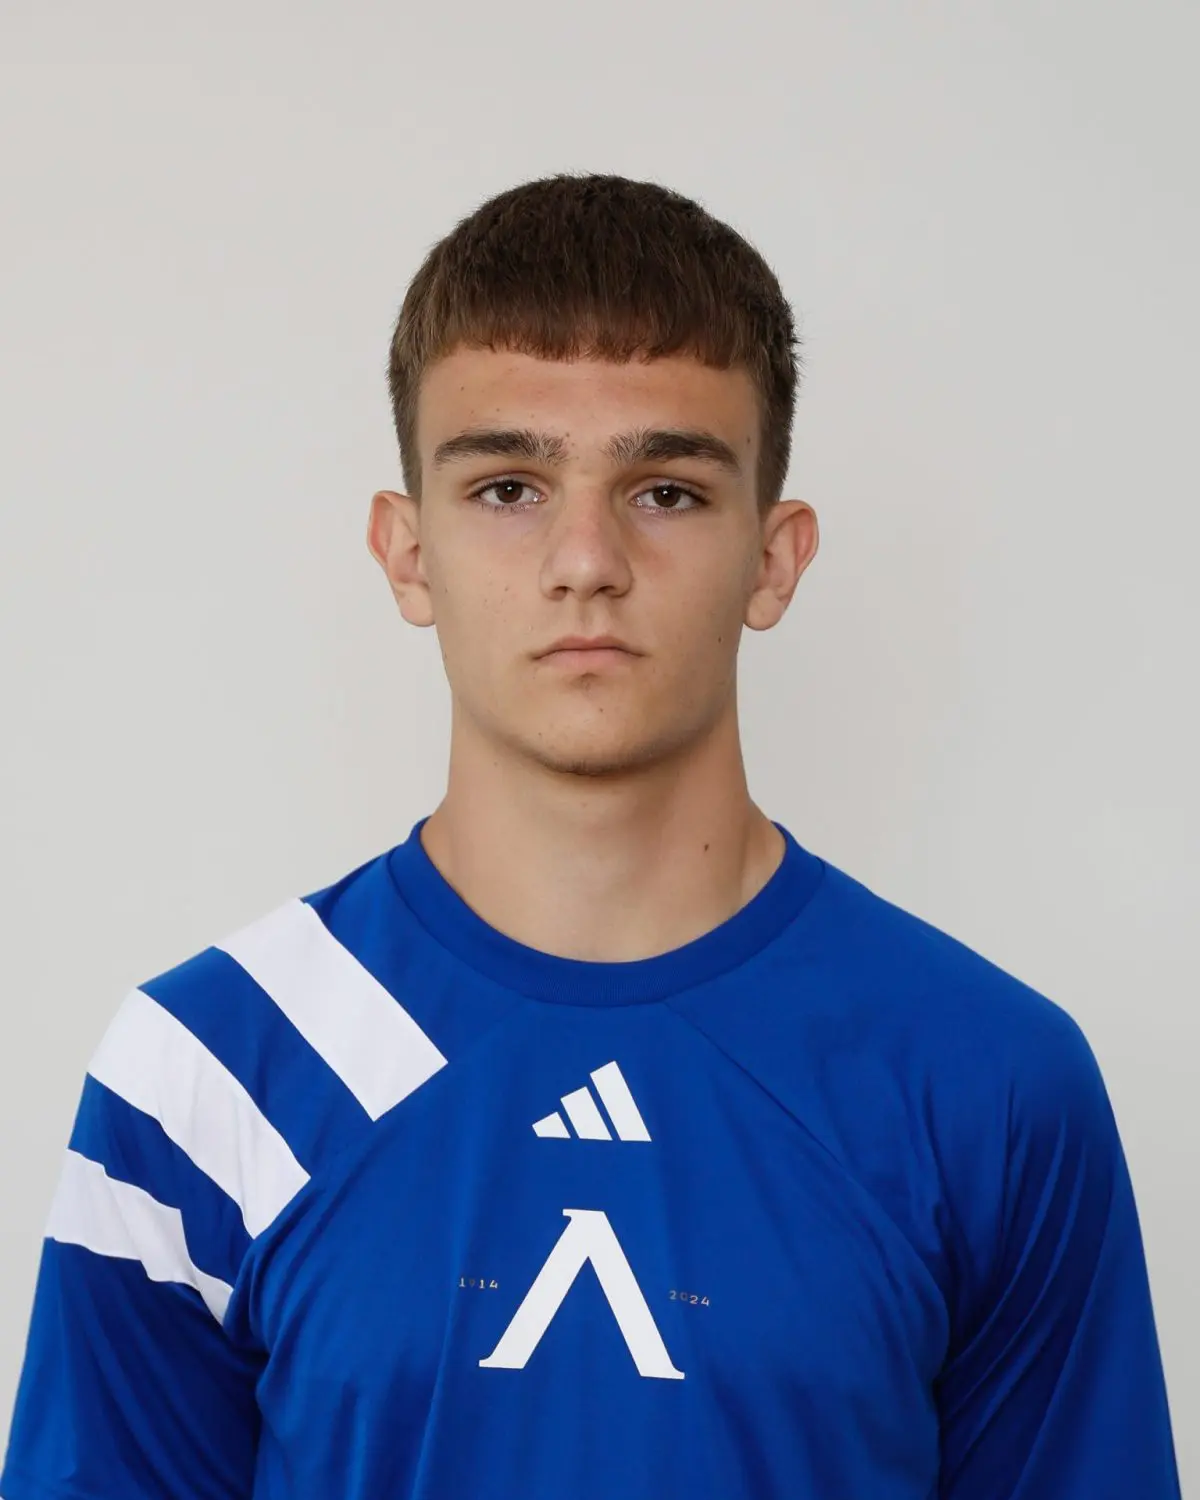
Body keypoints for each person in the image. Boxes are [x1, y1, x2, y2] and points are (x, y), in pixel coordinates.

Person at [0, 172, 1182, 1500]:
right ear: (407, 554)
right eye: (508, 486)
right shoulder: (211, 1071)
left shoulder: (986, 1079)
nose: (586, 560)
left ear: (775, 558)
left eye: (665, 491)